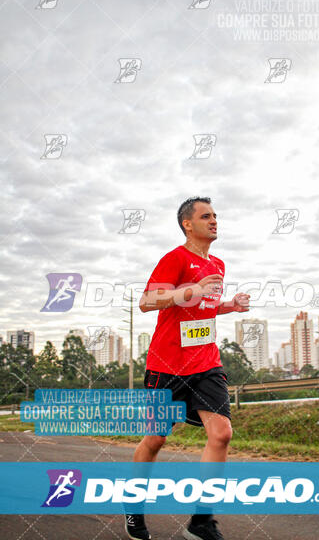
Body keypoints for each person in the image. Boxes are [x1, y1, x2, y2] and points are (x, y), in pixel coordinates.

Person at [125, 197, 250, 540]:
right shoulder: (175, 259)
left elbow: (203, 310)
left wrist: (229, 306)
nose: (214, 221)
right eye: (205, 216)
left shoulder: (219, 264)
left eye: (215, 216)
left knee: (221, 434)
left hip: (206, 364)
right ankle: (133, 505)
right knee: (155, 439)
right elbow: (147, 301)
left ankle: (200, 521)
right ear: (187, 224)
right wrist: (191, 289)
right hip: (167, 366)